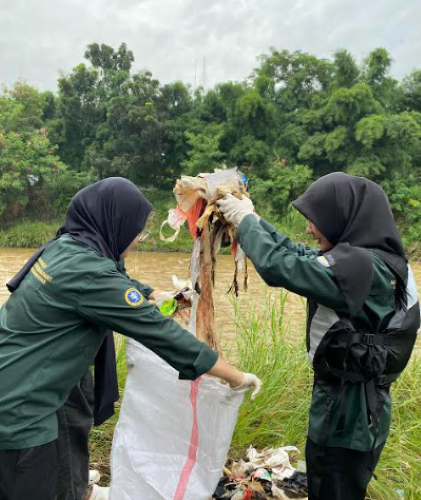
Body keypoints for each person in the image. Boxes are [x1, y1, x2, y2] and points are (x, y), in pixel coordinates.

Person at [0, 177, 261, 500]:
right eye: (136, 230)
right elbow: (162, 335)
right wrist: (236, 376)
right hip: (22, 414)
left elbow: (116, 284)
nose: (137, 239)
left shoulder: (67, 248)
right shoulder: (91, 274)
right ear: (113, 222)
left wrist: (157, 294)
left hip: (19, 387)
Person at [217, 172, 420, 500]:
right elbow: (295, 252)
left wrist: (245, 221)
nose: (309, 229)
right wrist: (251, 219)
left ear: (343, 218)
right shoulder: (382, 261)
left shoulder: (362, 268)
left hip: (346, 417)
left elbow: (280, 266)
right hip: (360, 411)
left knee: (332, 486)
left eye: (316, 220)